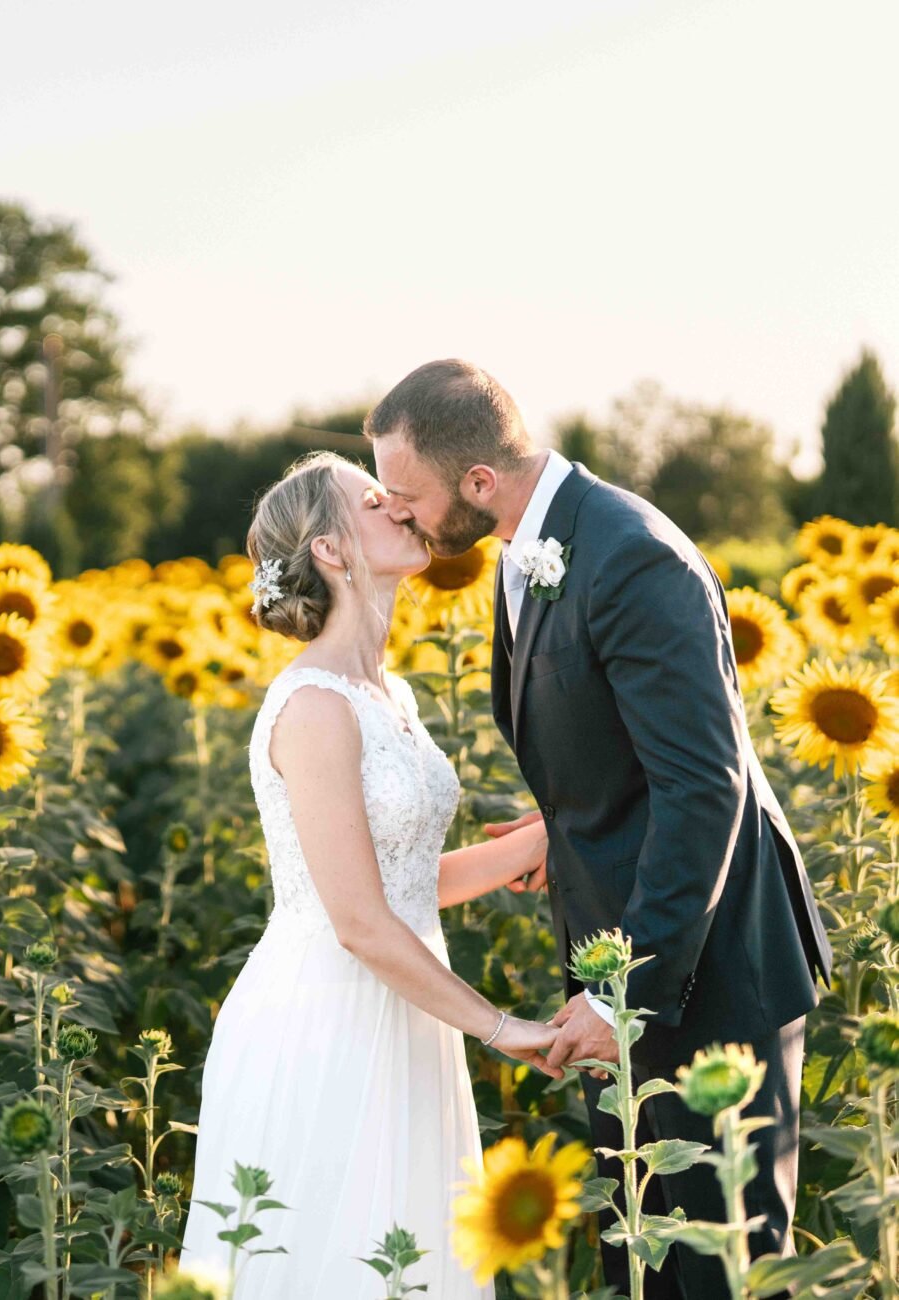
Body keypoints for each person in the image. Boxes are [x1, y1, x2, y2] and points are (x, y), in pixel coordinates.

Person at [367, 359, 833, 1300]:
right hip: (627, 943)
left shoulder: (629, 553)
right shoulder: (531, 544)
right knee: (647, 1251)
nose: (400, 515)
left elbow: (705, 787)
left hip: (702, 966)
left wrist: (626, 996)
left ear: (479, 482)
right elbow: (633, 743)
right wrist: (563, 822)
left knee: (718, 1267)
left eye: (407, 496)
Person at [177, 450, 558, 1299]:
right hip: (325, 1016)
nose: (402, 508)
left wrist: (545, 843)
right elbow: (354, 918)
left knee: (411, 1260)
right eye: (376, 501)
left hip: (410, 1004)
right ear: (331, 550)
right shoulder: (313, 706)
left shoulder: (392, 694)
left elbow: (409, 884)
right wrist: (503, 1029)